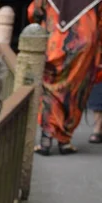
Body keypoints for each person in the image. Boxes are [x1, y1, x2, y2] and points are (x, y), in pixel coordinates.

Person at [28, 0, 102, 155]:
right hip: (84, 44)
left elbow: (34, 11)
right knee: (74, 91)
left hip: (55, 42)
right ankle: (64, 140)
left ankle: (46, 139)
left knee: (49, 88)